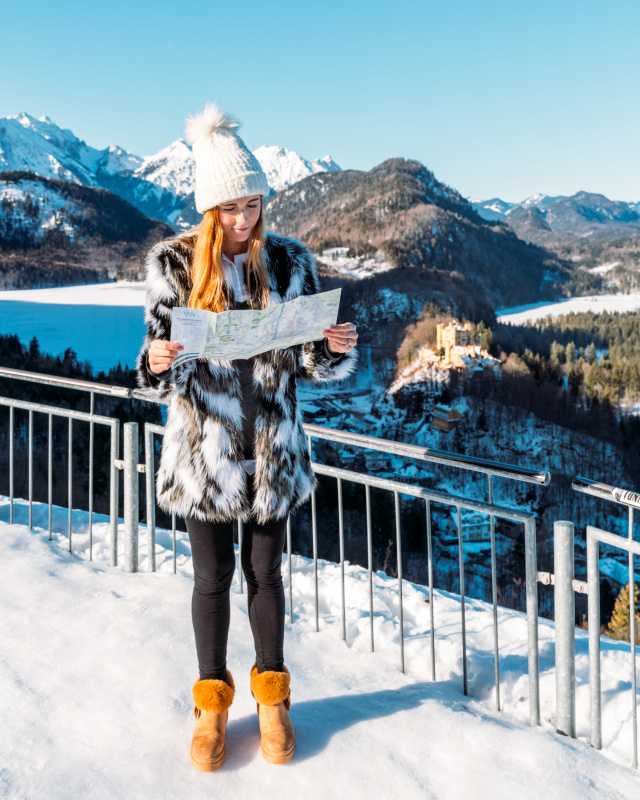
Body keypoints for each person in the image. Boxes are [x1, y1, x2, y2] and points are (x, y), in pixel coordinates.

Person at [135, 101, 358, 771]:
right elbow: (153, 366)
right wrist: (157, 363)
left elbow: (311, 365)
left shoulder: (289, 264)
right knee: (212, 578)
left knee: (267, 575)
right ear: (209, 210)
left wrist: (328, 345)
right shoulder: (174, 269)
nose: (245, 219)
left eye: (254, 204)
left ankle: (272, 697)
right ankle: (210, 705)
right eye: (232, 207)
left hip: (273, 453)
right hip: (206, 456)